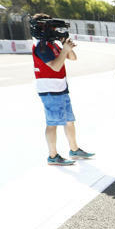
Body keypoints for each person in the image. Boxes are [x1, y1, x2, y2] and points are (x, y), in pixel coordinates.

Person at [31, 13, 94, 165]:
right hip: (50, 90)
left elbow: (72, 58)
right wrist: (64, 50)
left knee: (69, 121)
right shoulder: (40, 46)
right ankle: (53, 156)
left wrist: (66, 45)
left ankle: (74, 149)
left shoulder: (51, 44)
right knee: (52, 123)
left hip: (60, 88)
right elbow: (55, 66)